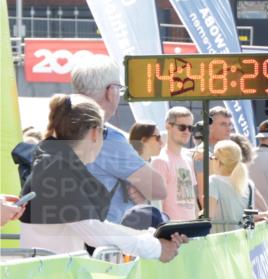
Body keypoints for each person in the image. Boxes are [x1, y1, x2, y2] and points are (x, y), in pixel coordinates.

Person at [18, 94, 185, 261]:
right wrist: (155, 247)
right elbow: (96, 232)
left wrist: (152, 236)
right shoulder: (56, 169)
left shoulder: (54, 165)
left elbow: (96, 228)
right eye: (104, 131)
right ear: (95, 132)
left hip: (52, 277)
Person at [69, 54, 166, 223]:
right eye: (119, 88)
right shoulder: (108, 139)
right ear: (111, 91)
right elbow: (158, 188)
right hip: (106, 240)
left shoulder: (58, 128)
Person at [151, 107, 199, 222]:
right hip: (172, 233)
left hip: (191, 231)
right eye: (182, 127)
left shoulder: (188, 158)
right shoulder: (159, 161)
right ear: (168, 125)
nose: (187, 132)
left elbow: (192, 200)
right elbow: (157, 206)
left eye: (190, 128)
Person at [206, 140, 256, 233]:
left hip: (220, 243)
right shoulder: (249, 185)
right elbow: (251, 216)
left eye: (213, 157)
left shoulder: (213, 182)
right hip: (243, 243)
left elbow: (208, 218)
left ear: (218, 161)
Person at [192, 106, 234, 208]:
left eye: (229, 124)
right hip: (217, 219)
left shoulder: (226, 153)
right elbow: (203, 195)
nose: (228, 129)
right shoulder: (202, 154)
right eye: (223, 124)